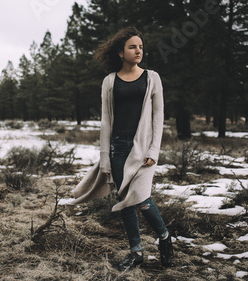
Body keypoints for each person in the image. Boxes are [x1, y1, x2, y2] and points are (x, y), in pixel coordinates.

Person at [69, 27, 173, 271]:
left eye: (141, 47)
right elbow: (106, 122)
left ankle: (165, 237)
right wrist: (105, 160)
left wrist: (153, 151)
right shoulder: (109, 81)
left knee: (143, 199)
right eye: (132, 47)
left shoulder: (152, 78)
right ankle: (136, 252)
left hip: (143, 150)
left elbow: (159, 118)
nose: (138, 51)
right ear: (120, 52)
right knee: (125, 200)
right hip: (118, 148)